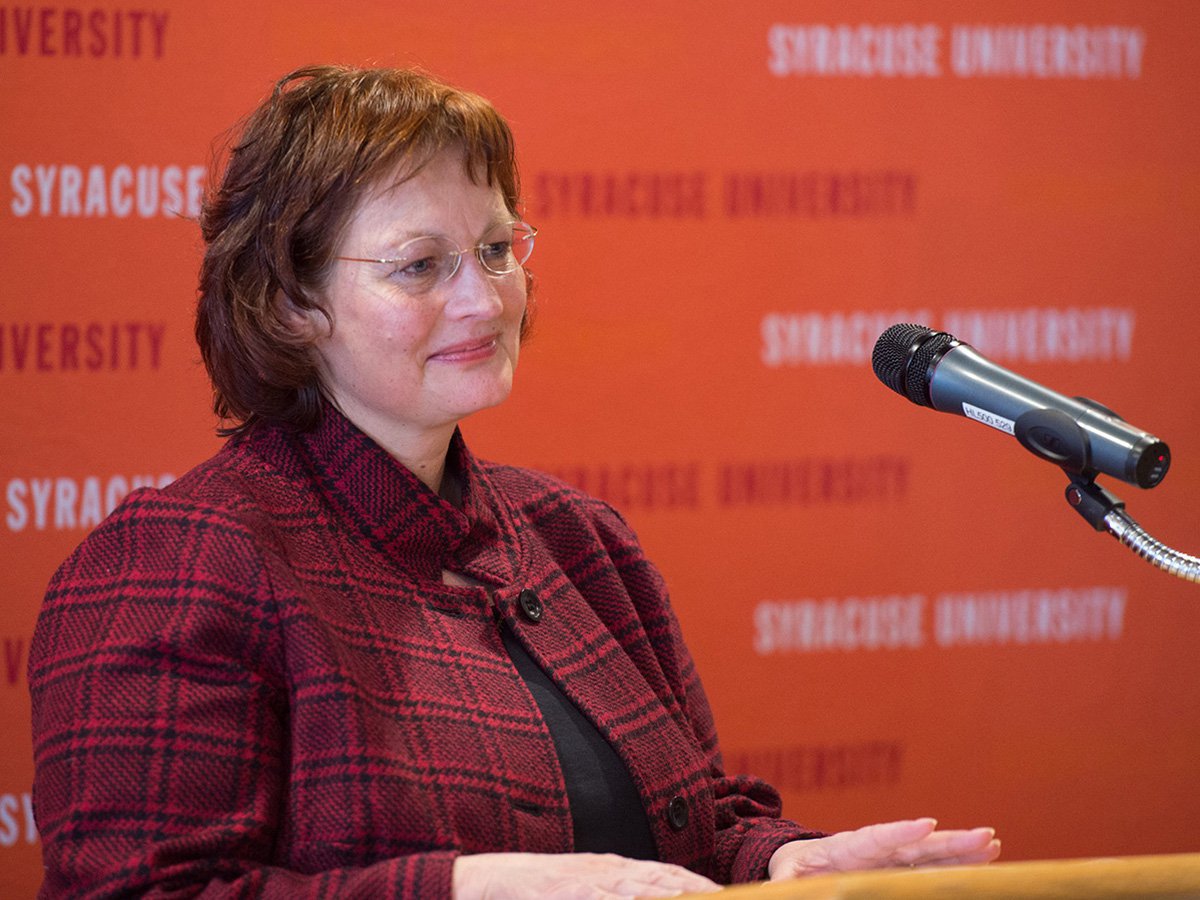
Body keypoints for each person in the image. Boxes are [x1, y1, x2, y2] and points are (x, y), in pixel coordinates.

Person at [28, 65, 1000, 898]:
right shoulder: (183, 557)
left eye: (497, 250)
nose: (484, 297)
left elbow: (695, 824)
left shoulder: (577, 534)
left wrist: (787, 864)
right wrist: (464, 884)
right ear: (290, 303)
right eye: (420, 266)